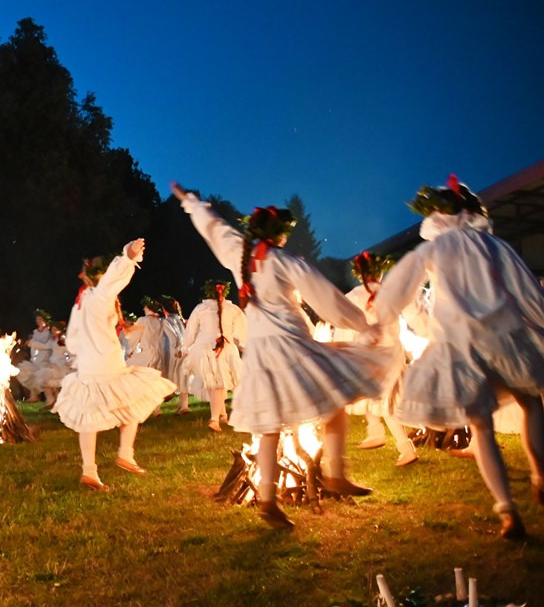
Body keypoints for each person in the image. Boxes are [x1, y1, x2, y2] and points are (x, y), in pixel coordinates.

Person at [173, 182, 390, 529]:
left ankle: (269, 500)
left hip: (261, 355)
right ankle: (336, 472)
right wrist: (363, 325)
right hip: (292, 347)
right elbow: (326, 298)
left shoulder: (239, 256)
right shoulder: (285, 262)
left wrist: (191, 203)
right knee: (334, 398)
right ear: (279, 235)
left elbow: (215, 229)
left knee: (270, 426)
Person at [375, 175, 544, 538]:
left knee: (482, 427)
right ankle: (540, 473)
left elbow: (398, 289)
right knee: (530, 401)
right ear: (469, 212)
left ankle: (507, 510)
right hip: (505, 337)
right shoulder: (493, 245)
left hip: (462, 346)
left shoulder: (433, 250)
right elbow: (527, 289)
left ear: (436, 217)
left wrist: (382, 319)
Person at [52, 239, 176, 490]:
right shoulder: (99, 295)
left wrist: (81, 355)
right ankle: (125, 454)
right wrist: (128, 257)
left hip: (87, 366)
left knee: (90, 416)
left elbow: (73, 338)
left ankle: (90, 470)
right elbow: (113, 280)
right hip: (106, 362)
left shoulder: (82, 300)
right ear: (102, 274)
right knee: (132, 399)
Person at [333, 252, 418, 467]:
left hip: (374, 354)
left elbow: (344, 321)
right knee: (371, 394)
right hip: (390, 352)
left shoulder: (355, 295)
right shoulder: (390, 292)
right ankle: (376, 432)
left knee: (380, 399)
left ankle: (404, 447)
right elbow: (409, 317)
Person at [182, 281, 247, 429]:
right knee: (218, 383)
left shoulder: (200, 308)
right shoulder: (233, 309)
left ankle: (222, 415)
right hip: (224, 349)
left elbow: (191, 330)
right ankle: (214, 419)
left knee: (215, 383)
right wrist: (244, 345)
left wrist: (186, 347)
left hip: (204, 348)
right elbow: (243, 329)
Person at [16, 310, 53, 402]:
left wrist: (33, 343)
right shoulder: (35, 332)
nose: (38, 321)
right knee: (26, 372)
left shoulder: (49, 333)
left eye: (40, 319)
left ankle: (50, 399)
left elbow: (47, 346)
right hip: (35, 360)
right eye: (37, 319)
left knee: (42, 378)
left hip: (45, 360)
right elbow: (33, 345)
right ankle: (34, 396)